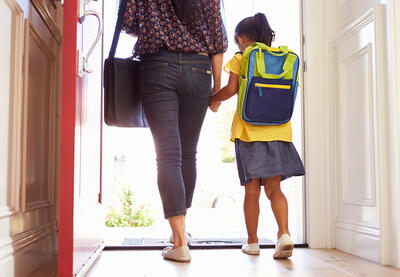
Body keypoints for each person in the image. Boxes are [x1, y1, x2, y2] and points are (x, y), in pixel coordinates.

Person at [121, 0, 228, 262]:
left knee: (168, 155)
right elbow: (217, 41)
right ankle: (181, 233)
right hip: (199, 70)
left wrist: (154, 26)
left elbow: (127, 23)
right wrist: (216, 89)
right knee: (188, 153)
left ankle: (179, 240)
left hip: (157, 67)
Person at [209, 13, 305, 259]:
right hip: (279, 130)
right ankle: (284, 234)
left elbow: (231, 90)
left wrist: (211, 100)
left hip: (249, 132)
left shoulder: (241, 57)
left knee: (252, 191)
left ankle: (252, 242)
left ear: (241, 38)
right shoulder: (282, 59)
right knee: (275, 189)